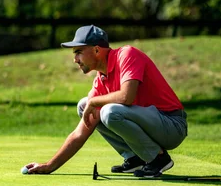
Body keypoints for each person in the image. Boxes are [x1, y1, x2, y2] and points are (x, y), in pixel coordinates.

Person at [24, 25, 188, 178]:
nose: (75, 59)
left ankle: (158, 159)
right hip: (154, 125)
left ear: (96, 50)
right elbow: (80, 133)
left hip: (171, 125)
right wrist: (49, 166)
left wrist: (94, 101)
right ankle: (136, 157)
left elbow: (126, 96)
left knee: (109, 112)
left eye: (78, 52)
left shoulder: (127, 55)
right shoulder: (100, 80)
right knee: (85, 105)